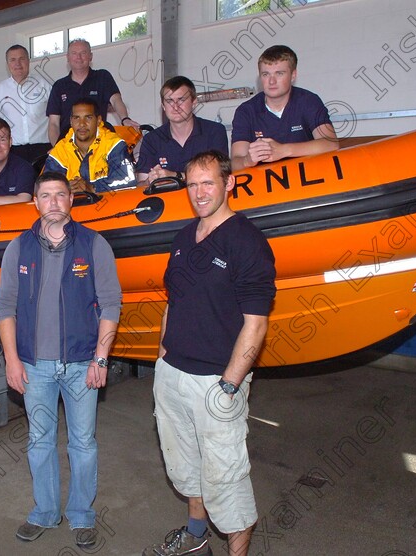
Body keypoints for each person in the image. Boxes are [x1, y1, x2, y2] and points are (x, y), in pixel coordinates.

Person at [143, 151, 276, 556]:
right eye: (192, 184)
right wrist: (162, 356)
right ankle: (196, 533)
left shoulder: (247, 242)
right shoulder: (184, 238)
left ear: (228, 184)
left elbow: (256, 323)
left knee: (227, 480)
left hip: (215, 382)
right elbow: (173, 301)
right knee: (185, 466)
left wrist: (230, 385)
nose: (199, 193)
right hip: (173, 374)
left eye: (208, 183)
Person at [0, 172, 122, 549]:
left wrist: (101, 358)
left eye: (60, 195)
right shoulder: (18, 248)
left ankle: (82, 515)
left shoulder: (94, 245)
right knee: (40, 441)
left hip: (83, 364)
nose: (53, 202)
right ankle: (45, 512)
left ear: (71, 200)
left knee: (83, 443)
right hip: (35, 366)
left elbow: (111, 304)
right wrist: (12, 361)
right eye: (45, 195)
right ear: (35, 201)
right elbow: (5, 308)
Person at [231, 45, 337, 171]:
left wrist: (283, 150)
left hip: (308, 180)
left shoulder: (308, 101)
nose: (271, 81)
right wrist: (247, 160)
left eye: (279, 73)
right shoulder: (246, 111)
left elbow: (331, 144)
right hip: (266, 185)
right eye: (265, 74)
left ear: (293, 75)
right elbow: (235, 162)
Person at [136, 76, 229, 185]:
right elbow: (141, 185)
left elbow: (220, 175)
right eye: (169, 101)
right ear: (163, 106)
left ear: (194, 102)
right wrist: (150, 181)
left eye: (181, 100)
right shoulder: (151, 140)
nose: (175, 107)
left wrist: (174, 176)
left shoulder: (214, 132)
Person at [47, 39, 139, 144]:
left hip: (99, 144)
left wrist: (125, 119)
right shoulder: (59, 86)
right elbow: (53, 123)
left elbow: (116, 100)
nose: (79, 57)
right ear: (67, 57)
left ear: (90, 56)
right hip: (68, 146)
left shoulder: (103, 77)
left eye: (83, 53)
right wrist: (57, 149)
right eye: (74, 53)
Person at [43, 98, 136, 193]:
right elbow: (45, 188)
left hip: (109, 205)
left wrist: (92, 188)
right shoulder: (60, 150)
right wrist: (64, 188)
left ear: (99, 120)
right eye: (76, 118)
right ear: (71, 121)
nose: (82, 124)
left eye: (88, 117)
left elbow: (127, 181)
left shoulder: (114, 144)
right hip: (73, 206)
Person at [0, 44, 52, 164]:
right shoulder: (0, 90)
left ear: (28, 61)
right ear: (7, 64)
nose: (17, 64)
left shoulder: (44, 85)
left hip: (44, 150)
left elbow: (56, 119)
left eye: (22, 59)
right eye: (13, 60)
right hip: (14, 152)